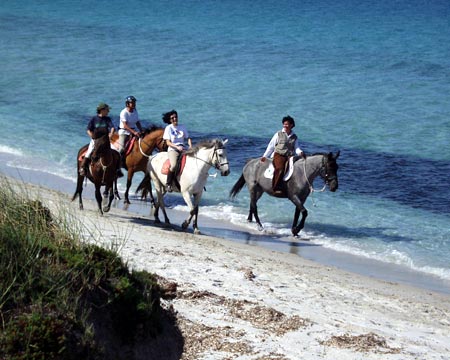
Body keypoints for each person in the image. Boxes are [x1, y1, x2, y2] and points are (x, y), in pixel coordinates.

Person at [261, 115, 305, 195]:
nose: (285, 126)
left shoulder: (294, 137)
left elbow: (297, 148)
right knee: (280, 168)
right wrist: (265, 156)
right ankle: (276, 187)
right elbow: (271, 146)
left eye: (287, 124)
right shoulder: (278, 134)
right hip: (279, 155)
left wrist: (300, 152)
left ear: (291, 125)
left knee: (297, 169)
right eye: (284, 124)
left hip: (290, 156)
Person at [80, 102, 122, 177]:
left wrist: (111, 133)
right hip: (96, 140)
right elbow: (88, 130)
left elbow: (112, 127)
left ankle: (118, 169)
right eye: (107, 110)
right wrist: (92, 136)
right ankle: (83, 168)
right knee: (89, 152)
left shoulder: (107, 119)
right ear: (102, 110)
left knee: (116, 152)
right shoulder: (94, 119)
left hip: (106, 140)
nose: (108, 111)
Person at [162, 110, 192, 192]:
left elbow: (188, 138)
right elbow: (168, 142)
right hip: (173, 149)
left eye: (176, 117)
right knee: (174, 165)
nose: (175, 119)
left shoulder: (182, 127)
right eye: (172, 118)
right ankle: (168, 184)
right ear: (170, 120)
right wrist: (177, 147)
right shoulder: (168, 128)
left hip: (183, 148)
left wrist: (190, 146)